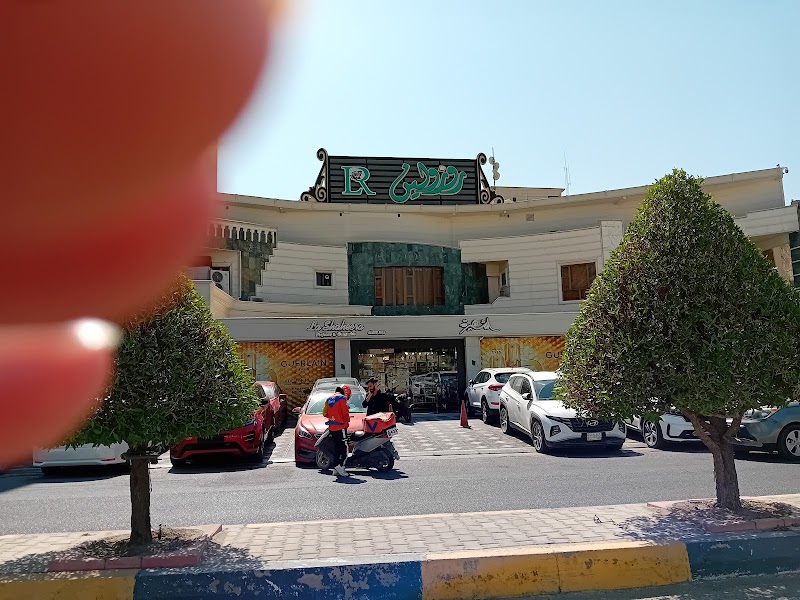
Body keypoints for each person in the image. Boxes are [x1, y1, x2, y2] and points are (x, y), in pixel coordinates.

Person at [324, 385, 352, 477]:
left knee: (336, 447)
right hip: (341, 426)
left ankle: (336, 468)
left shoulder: (328, 399)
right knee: (344, 448)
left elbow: (325, 413)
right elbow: (345, 413)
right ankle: (340, 467)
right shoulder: (342, 398)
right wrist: (346, 421)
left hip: (332, 427)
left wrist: (333, 416)